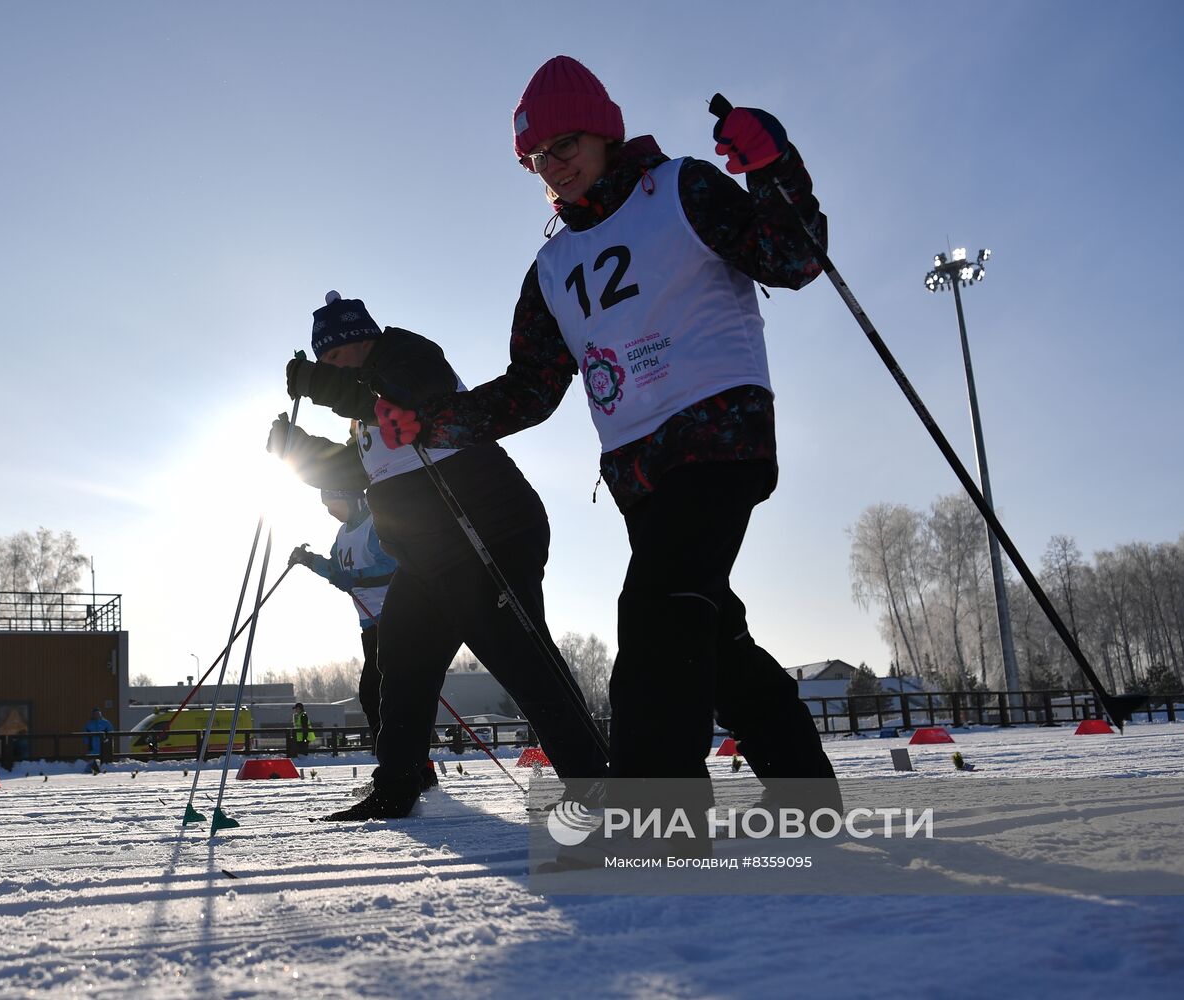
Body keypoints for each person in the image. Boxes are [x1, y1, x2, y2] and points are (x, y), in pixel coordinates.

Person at [372, 56, 838, 823]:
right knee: (707, 631)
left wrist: (774, 166)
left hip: (718, 435)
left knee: (655, 611)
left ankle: (658, 818)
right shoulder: (553, 265)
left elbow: (791, 257)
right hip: (639, 469)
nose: (554, 166)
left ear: (605, 131)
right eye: (536, 158)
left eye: (566, 144)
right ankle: (804, 790)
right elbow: (530, 388)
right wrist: (433, 422)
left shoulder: (681, 187)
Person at [270, 293, 608, 821]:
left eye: (337, 358)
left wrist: (318, 384)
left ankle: (595, 783)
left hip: (486, 534)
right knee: (399, 667)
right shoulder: (361, 418)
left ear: (362, 341)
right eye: (326, 364)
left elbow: (404, 398)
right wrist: (295, 447)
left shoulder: (408, 355)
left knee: (524, 663)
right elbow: (354, 472)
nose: (334, 369)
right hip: (426, 557)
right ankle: (397, 785)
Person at [288, 487, 438, 789]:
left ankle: (403, 768)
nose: (332, 511)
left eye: (335, 504)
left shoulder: (375, 525)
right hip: (369, 624)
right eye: (328, 507)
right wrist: (309, 560)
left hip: (397, 617)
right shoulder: (343, 535)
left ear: (353, 498)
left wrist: (355, 579)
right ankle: (414, 767)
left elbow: (393, 567)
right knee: (378, 696)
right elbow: (335, 570)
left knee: (376, 693)